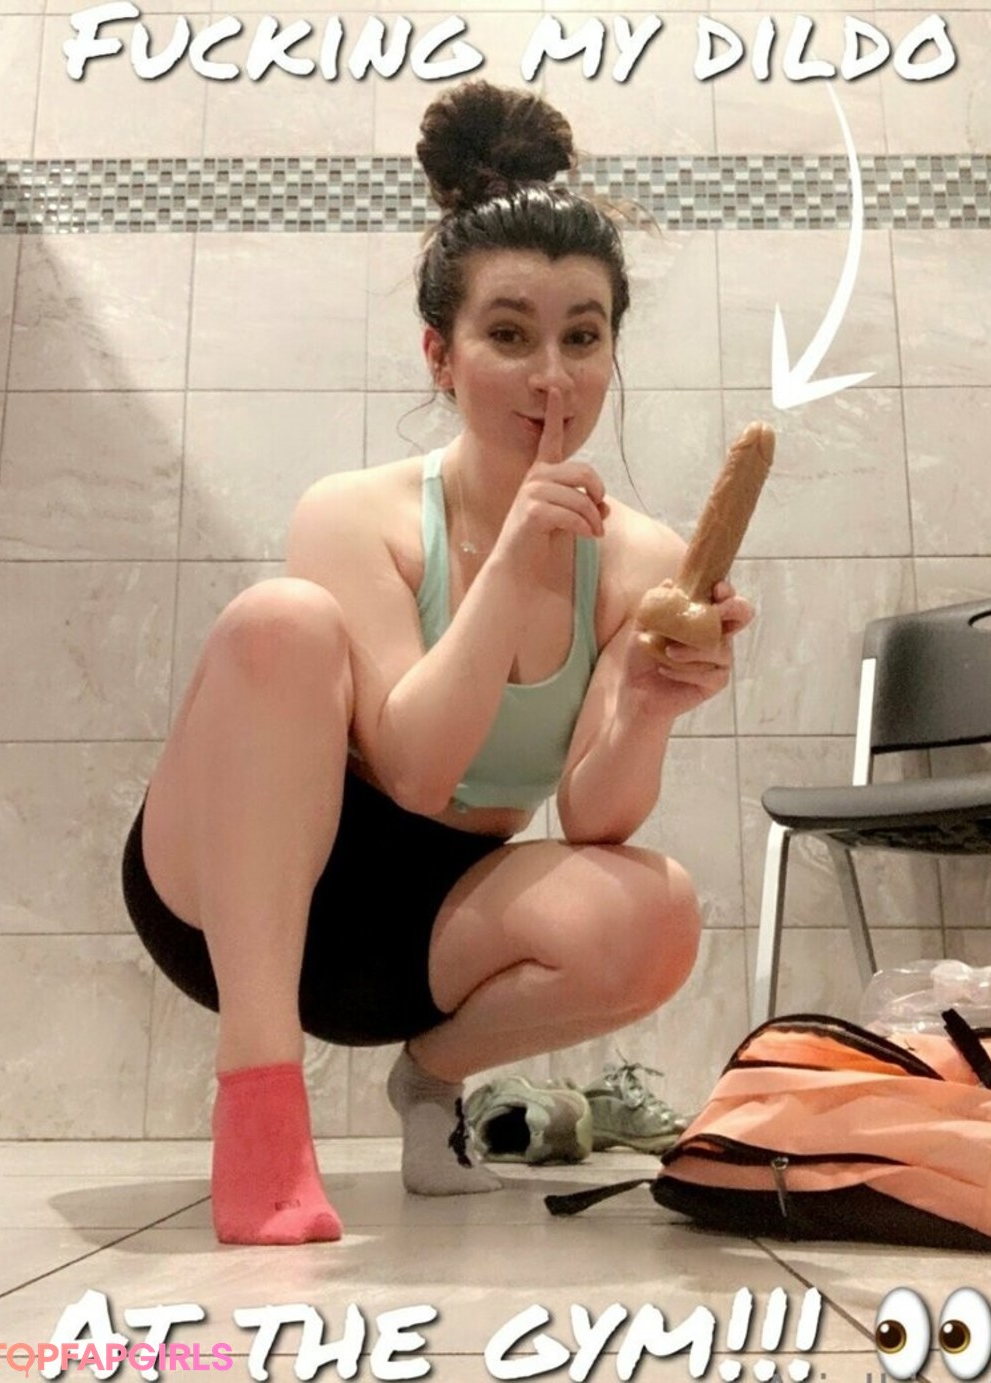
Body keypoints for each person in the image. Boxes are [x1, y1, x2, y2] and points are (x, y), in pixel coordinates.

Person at [120, 80, 755, 1246]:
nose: (551, 375)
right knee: (280, 622)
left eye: (583, 337)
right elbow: (414, 771)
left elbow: (594, 817)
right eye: (508, 335)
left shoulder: (640, 560)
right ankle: (258, 1099)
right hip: (222, 903)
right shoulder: (356, 514)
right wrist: (510, 561)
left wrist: (649, 705)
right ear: (440, 356)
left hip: (422, 941)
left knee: (657, 913)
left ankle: (431, 1084)